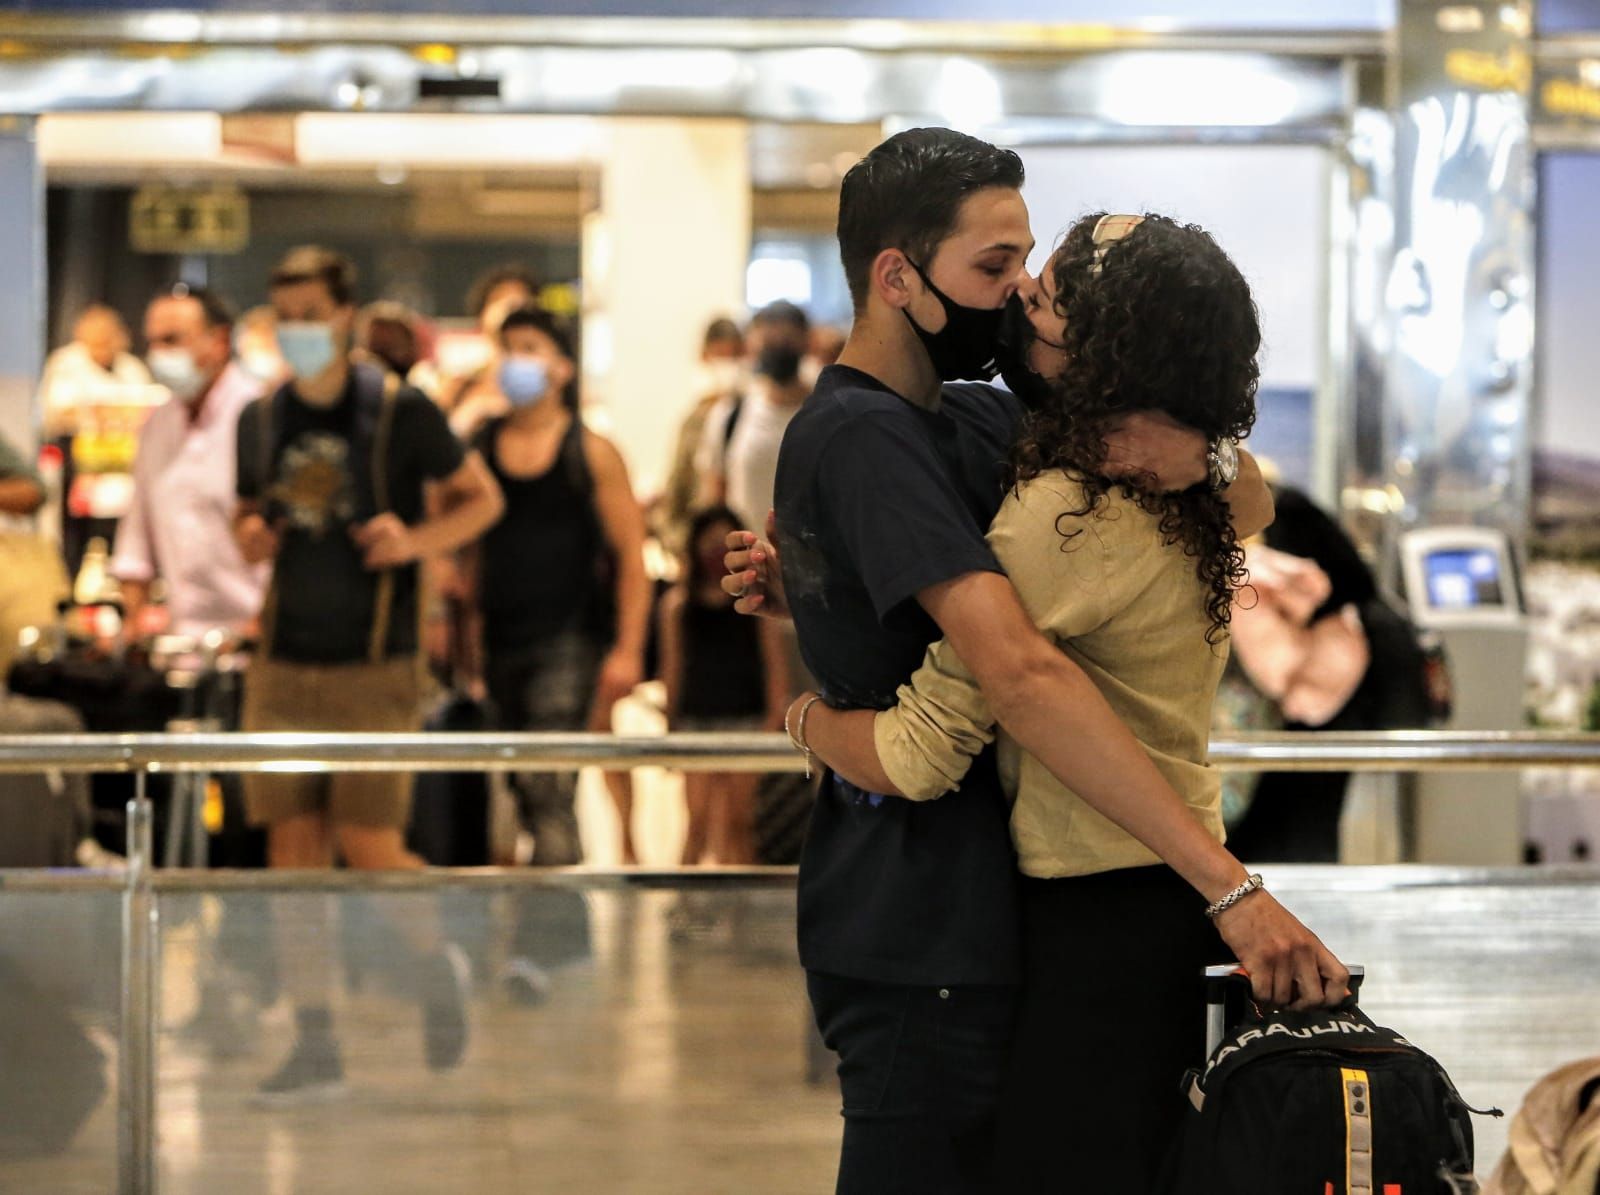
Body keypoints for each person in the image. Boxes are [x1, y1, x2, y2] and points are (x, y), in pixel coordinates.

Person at [723, 129, 1345, 1194]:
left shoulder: (980, 423)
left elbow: (1232, 491)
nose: (1015, 297)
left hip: (1027, 910)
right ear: (896, 275)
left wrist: (1207, 451)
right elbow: (1016, 672)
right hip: (923, 918)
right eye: (995, 267)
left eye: (1031, 274)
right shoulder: (874, 438)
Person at [233, 245, 504, 1100]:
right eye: (288, 316)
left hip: (374, 659)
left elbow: (481, 496)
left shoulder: (397, 410)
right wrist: (250, 535)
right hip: (282, 657)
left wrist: (412, 542)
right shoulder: (263, 416)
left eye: (315, 313)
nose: (300, 331)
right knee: (292, 846)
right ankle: (317, 1037)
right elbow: (250, 510)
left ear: (346, 316)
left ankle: (436, 963)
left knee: (370, 841)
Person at [465, 301, 650, 898]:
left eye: (530, 348)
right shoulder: (479, 446)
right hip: (496, 640)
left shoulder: (590, 451)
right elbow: (460, 550)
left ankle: (556, 941)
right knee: (513, 790)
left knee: (549, 789)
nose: (514, 361)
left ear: (563, 368)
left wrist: (627, 650)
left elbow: (631, 557)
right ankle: (528, 937)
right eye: (507, 347)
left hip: (569, 641)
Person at [1221, 484, 1379, 862]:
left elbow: (1285, 682)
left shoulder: (1251, 580)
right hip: (1299, 774)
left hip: (1270, 780)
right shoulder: (1349, 619)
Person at [109, 285, 268, 640]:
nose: (158, 354)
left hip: (261, 636)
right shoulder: (158, 424)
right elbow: (137, 537)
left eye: (171, 340)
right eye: (152, 342)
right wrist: (133, 623)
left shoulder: (260, 415)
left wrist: (263, 624)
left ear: (219, 341)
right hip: (184, 637)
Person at [659, 505, 789, 865]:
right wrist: (670, 727)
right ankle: (683, 913)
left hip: (747, 722)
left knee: (738, 823)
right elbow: (672, 670)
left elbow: (774, 668)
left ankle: (743, 915)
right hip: (697, 723)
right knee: (696, 824)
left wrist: (770, 725)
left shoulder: (756, 602)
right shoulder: (678, 606)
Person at [695, 301, 812, 535]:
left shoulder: (825, 413)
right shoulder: (731, 414)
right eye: (770, 340)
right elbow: (713, 497)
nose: (779, 346)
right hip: (747, 562)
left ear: (805, 342)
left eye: (787, 340)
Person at [657, 317, 745, 556]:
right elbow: (679, 486)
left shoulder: (751, 416)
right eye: (720, 355)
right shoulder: (694, 421)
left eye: (734, 355)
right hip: (706, 549)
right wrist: (680, 545)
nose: (727, 365)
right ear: (704, 356)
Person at [443, 265, 542, 441]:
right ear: (482, 314)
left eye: (521, 301)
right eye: (499, 299)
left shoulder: (549, 381)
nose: (509, 307)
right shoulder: (460, 384)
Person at [39, 305, 153, 439]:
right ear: (82, 336)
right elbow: (60, 412)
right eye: (98, 341)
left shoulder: (132, 367)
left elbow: (147, 409)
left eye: (109, 338)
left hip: (126, 447)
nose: (104, 347)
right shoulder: (65, 362)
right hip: (75, 446)